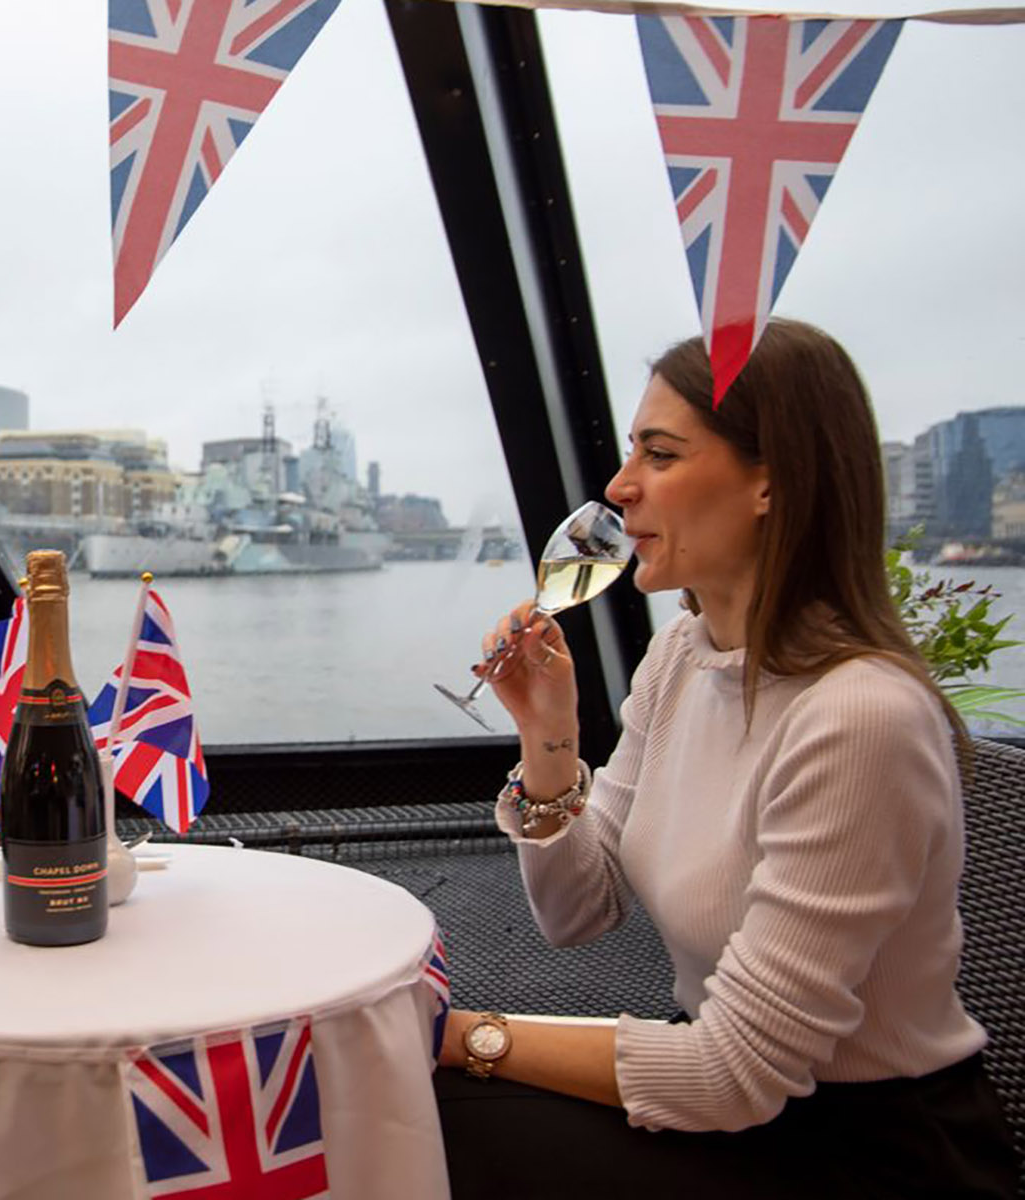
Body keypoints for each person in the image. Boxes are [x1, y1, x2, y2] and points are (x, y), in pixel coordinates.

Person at [433, 319, 1015, 1197]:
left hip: (861, 1147)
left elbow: (732, 1075)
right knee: (419, 1114)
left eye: (660, 455)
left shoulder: (860, 719)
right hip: (732, 1097)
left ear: (769, 483)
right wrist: (550, 735)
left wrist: (460, 1033)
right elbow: (579, 913)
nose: (619, 488)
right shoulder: (681, 658)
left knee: (436, 1122)